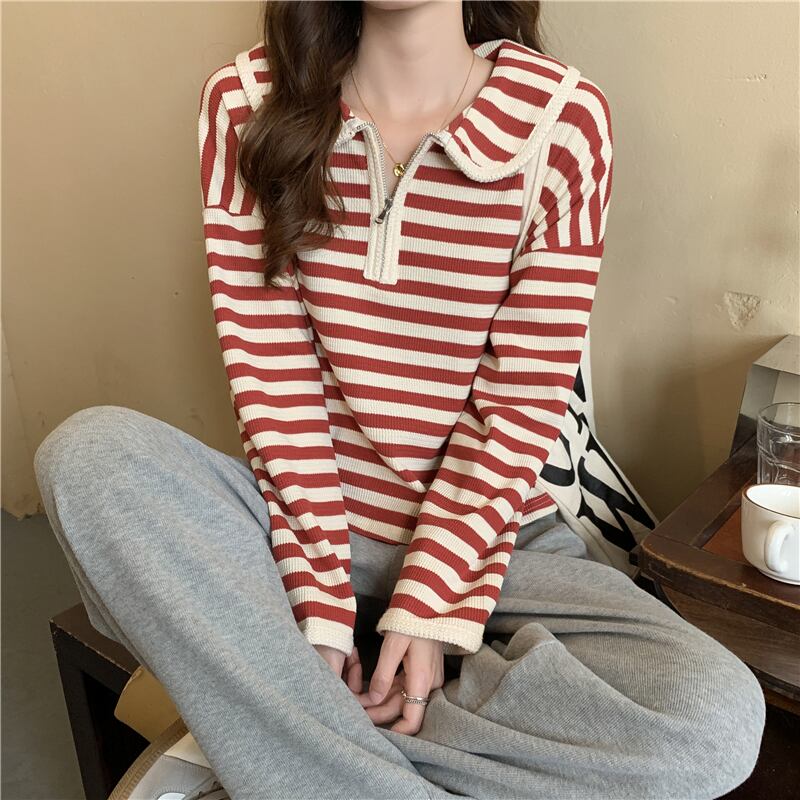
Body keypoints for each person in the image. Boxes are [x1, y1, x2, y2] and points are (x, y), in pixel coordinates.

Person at [34, 1, 766, 798]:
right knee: (89, 456)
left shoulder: (562, 123)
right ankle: (326, 739)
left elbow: (518, 407)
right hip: (302, 526)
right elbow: (274, 387)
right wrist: (318, 601)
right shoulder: (244, 104)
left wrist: (430, 605)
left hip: (499, 545)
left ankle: (293, 738)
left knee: (716, 720)